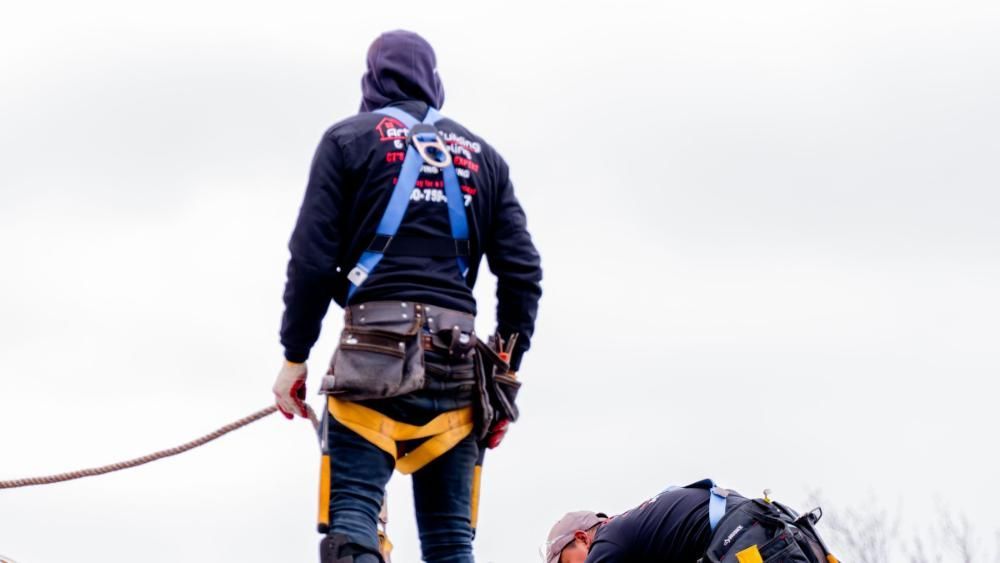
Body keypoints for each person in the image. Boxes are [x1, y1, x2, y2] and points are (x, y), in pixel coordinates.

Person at [272, 30, 542, 563]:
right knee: (449, 543)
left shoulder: (347, 140)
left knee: (353, 523)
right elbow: (522, 273)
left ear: (372, 80)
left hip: (371, 354)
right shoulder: (485, 158)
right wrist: (505, 376)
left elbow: (310, 258)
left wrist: (294, 357)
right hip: (460, 368)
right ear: (433, 80)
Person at [546, 481, 837, 563]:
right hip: (777, 533)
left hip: (753, 543)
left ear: (583, 538)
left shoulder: (608, 539)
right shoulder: (645, 530)